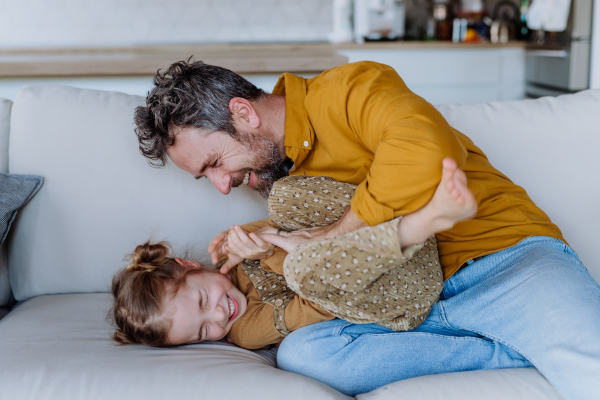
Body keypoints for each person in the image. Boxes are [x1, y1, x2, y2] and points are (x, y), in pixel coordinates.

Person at [133, 60, 600, 399]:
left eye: (214, 163)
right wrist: (270, 240)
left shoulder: (349, 88)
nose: (220, 186)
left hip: (500, 262)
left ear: (243, 112)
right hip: (400, 312)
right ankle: (508, 349)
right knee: (305, 355)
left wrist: (334, 233)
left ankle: (524, 334)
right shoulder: (275, 175)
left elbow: (427, 150)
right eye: (205, 177)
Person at [110, 160, 475, 348]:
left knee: (284, 198)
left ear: (190, 266)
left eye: (204, 300)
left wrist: (258, 236)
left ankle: (399, 200)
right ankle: (426, 220)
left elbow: (305, 226)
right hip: (401, 293)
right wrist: (269, 248)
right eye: (204, 332)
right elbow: (319, 303)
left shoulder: (231, 249)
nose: (219, 316)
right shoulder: (247, 331)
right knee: (302, 270)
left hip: (392, 241)